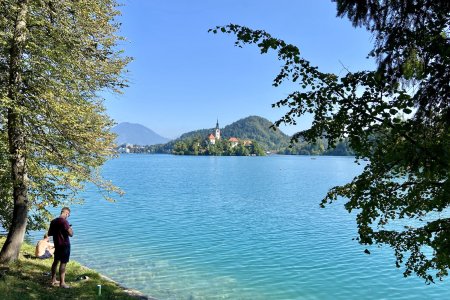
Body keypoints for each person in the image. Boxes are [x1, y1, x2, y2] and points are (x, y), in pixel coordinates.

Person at [48, 207, 73, 288]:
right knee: (63, 263)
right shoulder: (64, 221)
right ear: (66, 213)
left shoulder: (53, 221)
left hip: (57, 244)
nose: (67, 216)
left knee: (55, 261)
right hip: (64, 245)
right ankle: (62, 283)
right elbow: (71, 234)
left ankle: (53, 280)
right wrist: (69, 228)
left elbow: (50, 233)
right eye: (68, 215)